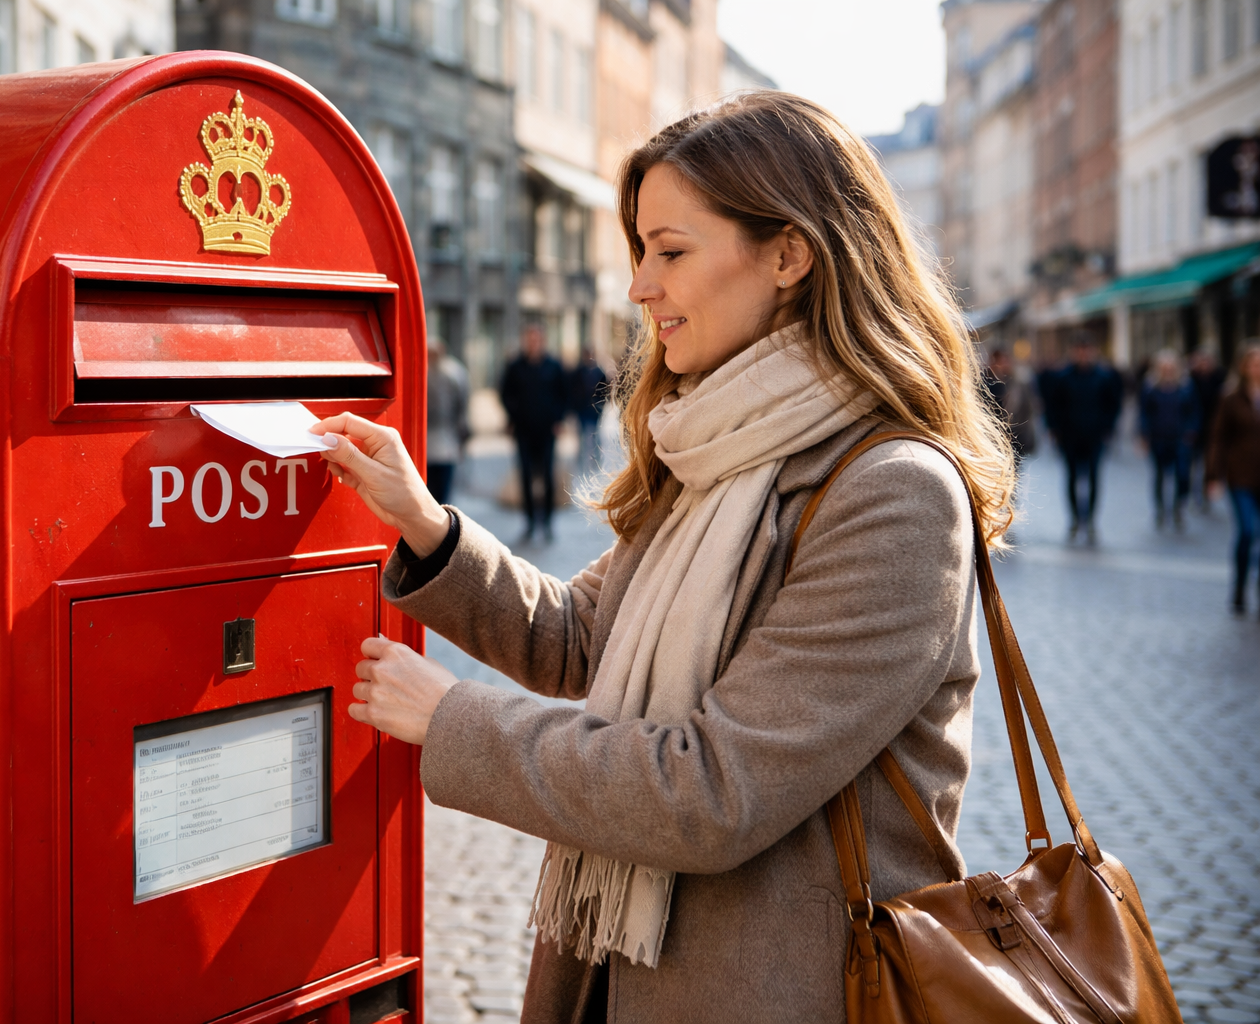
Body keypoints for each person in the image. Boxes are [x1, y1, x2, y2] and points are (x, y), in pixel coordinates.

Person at [308, 91, 1015, 1023]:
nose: (641, 285)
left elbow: (714, 790)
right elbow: (579, 639)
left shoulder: (894, 492)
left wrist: (455, 723)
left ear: (789, 255)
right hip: (614, 974)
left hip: (782, 992)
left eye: (670, 252)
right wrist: (425, 523)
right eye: (640, 251)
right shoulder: (716, 447)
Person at [1039, 337, 1123, 542]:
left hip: (1095, 436)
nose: (1083, 354)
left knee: (1094, 477)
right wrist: (1053, 428)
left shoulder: (1103, 377)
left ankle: (1091, 520)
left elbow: (1113, 405)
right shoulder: (1063, 377)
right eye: (1079, 350)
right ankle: (1075, 519)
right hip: (1069, 436)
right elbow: (1052, 405)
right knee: (1072, 478)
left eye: (1086, 350)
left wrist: (1108, 427)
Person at [500, 323, 567, 542]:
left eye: (536, 338)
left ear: (542, 340)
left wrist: (559, 420)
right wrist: (512, 416)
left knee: (547, 476)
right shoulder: (515, 366)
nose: (533, 342)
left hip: (547, 431)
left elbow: (563, 395)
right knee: (526, 476)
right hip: (523, 430)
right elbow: (504, 393)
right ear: (525, 341)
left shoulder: (554, 366)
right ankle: (529, 522)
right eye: (529, 338)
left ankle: (547, 522)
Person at [1207, 344, 1260, 614]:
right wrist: (1213, 475)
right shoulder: (1231, 398)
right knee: (1248, 531)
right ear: (1243, 367)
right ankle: (1239, 586)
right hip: (1241, 476)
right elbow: (1219, 438)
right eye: (1253, 363)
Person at [1138, 351, 1201, 530]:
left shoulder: (1186, 386)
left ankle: (1177, 508)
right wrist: (1143, 434)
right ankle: (1160, 509)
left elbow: (1194, 411)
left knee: (1182, 474)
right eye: (1164, 368)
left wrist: (1192, 430)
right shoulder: (1150, 386)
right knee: (1159, 475)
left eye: (1170, 367)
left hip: (1180, 438)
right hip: (1158, 437)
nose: (1167, 371)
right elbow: (1144, 412)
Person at [424, 337, 469, 504]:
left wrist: (462, 433)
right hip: (429, 437)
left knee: (442, 487)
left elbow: (462, 405)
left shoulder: (453, 373)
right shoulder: (422, 370)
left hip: (446, 436)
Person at [984, 347, 1038, 461]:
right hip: (991, 437)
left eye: (1004, 361)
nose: (1001, 364)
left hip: (1014, 436)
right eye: (998, 361)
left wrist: (1023, 428)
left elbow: (1027, 407)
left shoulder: (1017, 383)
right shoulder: (985, 383)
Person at [1189, 349, 1227, 509]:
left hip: (1214, 428)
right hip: (1196, 429)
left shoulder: (1219, 380)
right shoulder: (1191, 381)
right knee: (1196, 464)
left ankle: (1205, 494)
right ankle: (1197, 494)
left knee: (1209, 464)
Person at [568, 347, 609, 475]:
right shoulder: (578, 372)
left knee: (596, 434)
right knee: (581, 435)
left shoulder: (599, 372)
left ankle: (596, 460)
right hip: (582, 409)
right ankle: (581, 461)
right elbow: (573, 391)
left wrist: (601, 403)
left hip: (595, 409)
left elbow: (604, 389)